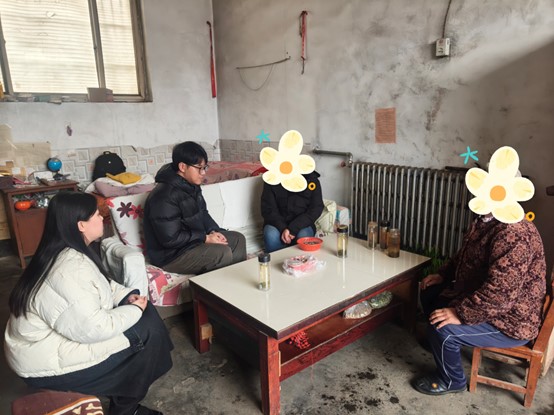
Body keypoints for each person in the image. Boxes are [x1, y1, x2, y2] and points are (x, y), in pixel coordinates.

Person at [4, 192, 172, 415]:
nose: (102, 218)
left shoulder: (67, 250)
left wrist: (127, 297)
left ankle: (128, 398)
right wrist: (134, 309)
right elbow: (94, 329)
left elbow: (104, 284)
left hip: (42, 344)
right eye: (96, 214)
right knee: (146, 337)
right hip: (41, 361)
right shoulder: (69, 270)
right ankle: (126, 409)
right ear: (81, 225)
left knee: (146, 319)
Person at [413, 213, 547, 396]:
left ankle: (452, 381)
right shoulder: (486, 219)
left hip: (509, 322)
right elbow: (464, 256)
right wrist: (443, 275)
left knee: (442, 329)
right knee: (430, 292)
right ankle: (437, 346)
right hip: (485, 302)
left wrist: (460, 314)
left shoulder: (514, 233)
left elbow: (500, 296)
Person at [144, 141, 246, 274]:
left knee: (237, 239)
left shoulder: (191, 185)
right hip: (171, 255)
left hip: (193, 243)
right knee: (222, 253)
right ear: (182, 167)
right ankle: (218, 285)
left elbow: (202, 213)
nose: (203, 173)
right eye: (199, 168)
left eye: (205, 167)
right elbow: (170, 239)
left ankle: (234, 280)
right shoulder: (164, 196)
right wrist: (205, 238)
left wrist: (213, 231)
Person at [261, 170, 324, 253]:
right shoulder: (271, 179)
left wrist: (292, 229)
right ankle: (276, 260)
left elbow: (316, 208)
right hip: (277, 224)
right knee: (271, 235)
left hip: (302, 224)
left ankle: (301, 261)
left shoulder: (312, 180)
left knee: (303, 236)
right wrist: (283, 229)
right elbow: (268, 209)